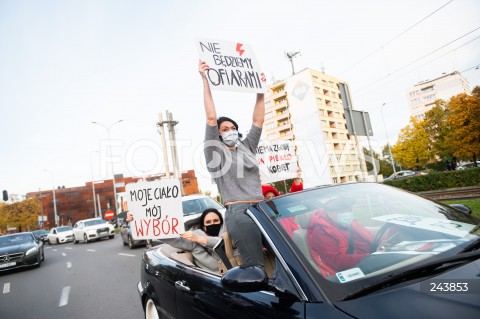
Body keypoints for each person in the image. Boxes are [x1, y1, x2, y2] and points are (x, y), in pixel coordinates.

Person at [200, 59, 266, 268]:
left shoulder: (246, 146)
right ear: (217, 135)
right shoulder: (215, 153)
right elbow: (211, 117)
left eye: (233, 127)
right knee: (256, 264)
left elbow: (258, 121)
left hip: (263, 208)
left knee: (285, 258)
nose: (230, 131)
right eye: (224, 128)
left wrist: (260, 91)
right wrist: (205, 80)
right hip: (239, 213)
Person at [126, 208, 225, 273]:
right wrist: (137, 220)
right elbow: (174, 240)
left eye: (216, 221)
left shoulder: (229, 236)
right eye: (208, 222)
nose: (213, 224)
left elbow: (222, 242)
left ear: (221, 222)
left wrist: (201, 239)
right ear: (204, 226)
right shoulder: (194, 239)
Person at [307, 197, 374, 277]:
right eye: (342, 211)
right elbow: (336, 261)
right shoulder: (321, 232)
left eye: (349, 210)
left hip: (358, 265)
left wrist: (377, 250)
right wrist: (368, 258)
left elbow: (361, 244)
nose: (347, 214)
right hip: (343, 275)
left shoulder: (348, 224)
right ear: (330, 213)